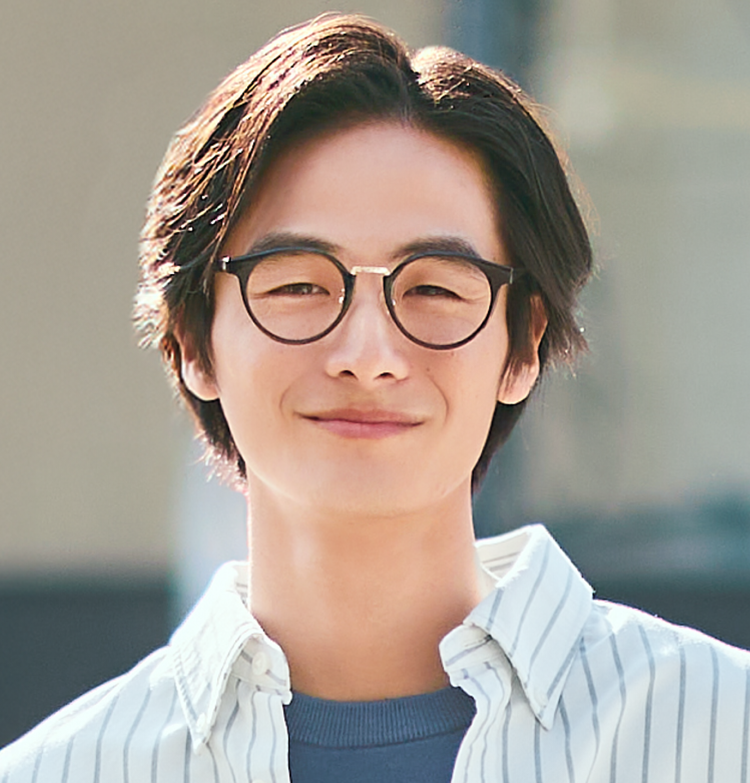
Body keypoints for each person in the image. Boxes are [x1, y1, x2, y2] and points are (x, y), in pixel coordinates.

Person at [1, 12, 749, 783]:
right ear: (194, 339)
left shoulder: (723, 734)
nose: (367, 355)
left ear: (524, 345)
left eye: (432, 288)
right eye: (297, 284)